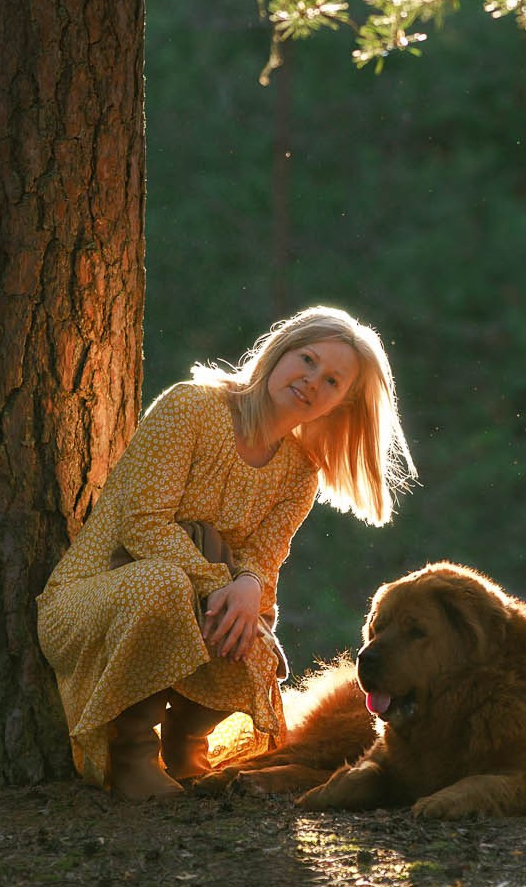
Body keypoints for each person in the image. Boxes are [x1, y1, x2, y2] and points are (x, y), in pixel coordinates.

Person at [37, 306, 414, 799]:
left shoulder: (300, 472)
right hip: (90, 598)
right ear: (281, 351)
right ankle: (131, 753)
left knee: (254, 626)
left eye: (332, 382)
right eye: (307, 359)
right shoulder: (191, 407)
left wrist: (248, 591)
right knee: (168, 585)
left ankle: (186, 746)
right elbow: (142, 523)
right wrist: (224, 585)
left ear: (337, 406)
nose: (311, 381)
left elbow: (264, 557)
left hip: (189, 602)